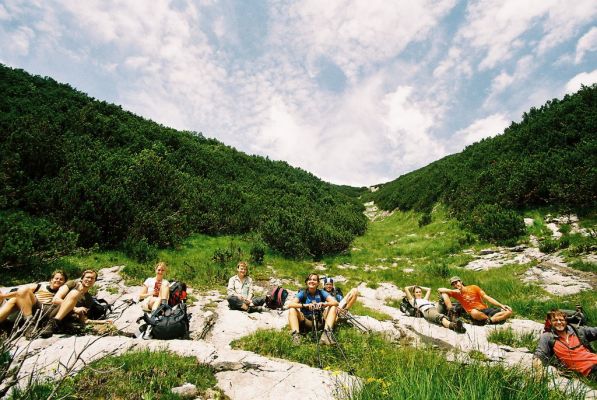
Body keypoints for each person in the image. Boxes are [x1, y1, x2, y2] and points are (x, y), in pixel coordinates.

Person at [0, 270, 71, 335]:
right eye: (56, 278)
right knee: (17, 296)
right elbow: (20, 292)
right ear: (51, 280)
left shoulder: (64, 292)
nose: (58, 280)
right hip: (31, 307)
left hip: (46, 312)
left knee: (16, 298)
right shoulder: (39, 286)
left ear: (64, 283)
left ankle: (28, 323)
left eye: (61, 279)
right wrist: (3, 296)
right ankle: (29, 322)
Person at [533, 309, 597, 380]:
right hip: (589, 370)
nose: (559, 322)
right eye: (555, 320)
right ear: (550, 322)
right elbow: (539, 355)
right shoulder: (548, 337)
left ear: (566, 321)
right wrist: (539, 372)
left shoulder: (578, 331)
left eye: (561, 320)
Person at [39, 270, 98, 338]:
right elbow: (55, 299)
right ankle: (52, 324)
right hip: (54, 312)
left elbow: (84, 320)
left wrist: (102, 322)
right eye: (87, 277)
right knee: (74, 293)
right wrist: (74, 308)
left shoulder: (89, 299)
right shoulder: (72, 284)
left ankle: (55, 326)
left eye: (92, 278)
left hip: (66, 319)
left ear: (95, 281)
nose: (89, 280)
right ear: (82, 278)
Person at [287, 273, 338, 345]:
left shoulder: (321, 292)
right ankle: (296, 336)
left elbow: (335, 303)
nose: (312, 281)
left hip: (320, 320)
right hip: (306, 321)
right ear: (306, 282)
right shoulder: (302, 293)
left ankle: (326, 335)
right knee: (292, 309)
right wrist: (305, 305)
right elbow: (290, 304)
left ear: (318, 283)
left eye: (314, 280)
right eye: (309, 279)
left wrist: (324, 304)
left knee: (333, 307)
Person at [438, 276, 512, 325]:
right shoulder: (455, 293)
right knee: (473, 312)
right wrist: (454, 291)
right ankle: (491, 319)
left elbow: (487, 297)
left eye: (456, 282)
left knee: (508, 311)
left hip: (485, 309)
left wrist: (501, 305)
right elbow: (440, 290)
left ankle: (491, 320)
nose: (455, 285)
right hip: (476, 313)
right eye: (453, 284)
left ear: (461, 281)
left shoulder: (473, 287)